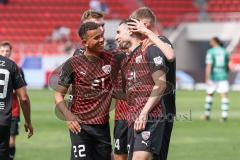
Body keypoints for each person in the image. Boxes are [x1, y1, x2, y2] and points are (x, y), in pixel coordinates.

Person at [54, 22, 113, 160]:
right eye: (97, 37)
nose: (102, 40)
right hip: (80, 126)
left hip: (102, 126)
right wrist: (68, 116)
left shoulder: (111, 60)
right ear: (85, 42)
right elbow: (58, 94)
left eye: (102, 36)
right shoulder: (73, 63)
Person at [116, 19, 168, 160]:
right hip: (133, 119)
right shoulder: (127, 59)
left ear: (131, 31)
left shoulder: (150, 50)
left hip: (150, 116)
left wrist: (144, 113)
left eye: (119, 32)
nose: (116, 37)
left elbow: (161, 84)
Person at [128, 7, 176, 160]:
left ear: (145, 25)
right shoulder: (147, 46)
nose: (133, 32)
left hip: (160, 111)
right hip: (152, 110)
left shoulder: (160, 43)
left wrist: (148, 33)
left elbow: (170, 55)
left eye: (135, 27)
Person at [0, 41, 33, 160]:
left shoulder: (17, 68)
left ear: (10, 52)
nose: (5, 53)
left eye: (7, 51)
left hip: (13, 111)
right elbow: (23, 97)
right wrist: (28, 121)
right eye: (2, 50)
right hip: (4, 116)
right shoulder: (12, 66)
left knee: (12, 141)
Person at [203, 37, 230, 121]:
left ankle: (207, 115)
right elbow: (227, 65)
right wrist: (225, 73)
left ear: (215, 41)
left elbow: (209, 65)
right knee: (224, 95)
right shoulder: (225, 51)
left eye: (211, 41)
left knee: (209, 94)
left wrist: (207, 77)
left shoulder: (211, 51)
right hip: (223, 76)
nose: (210, 42)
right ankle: (224, 115)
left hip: (213, 76)